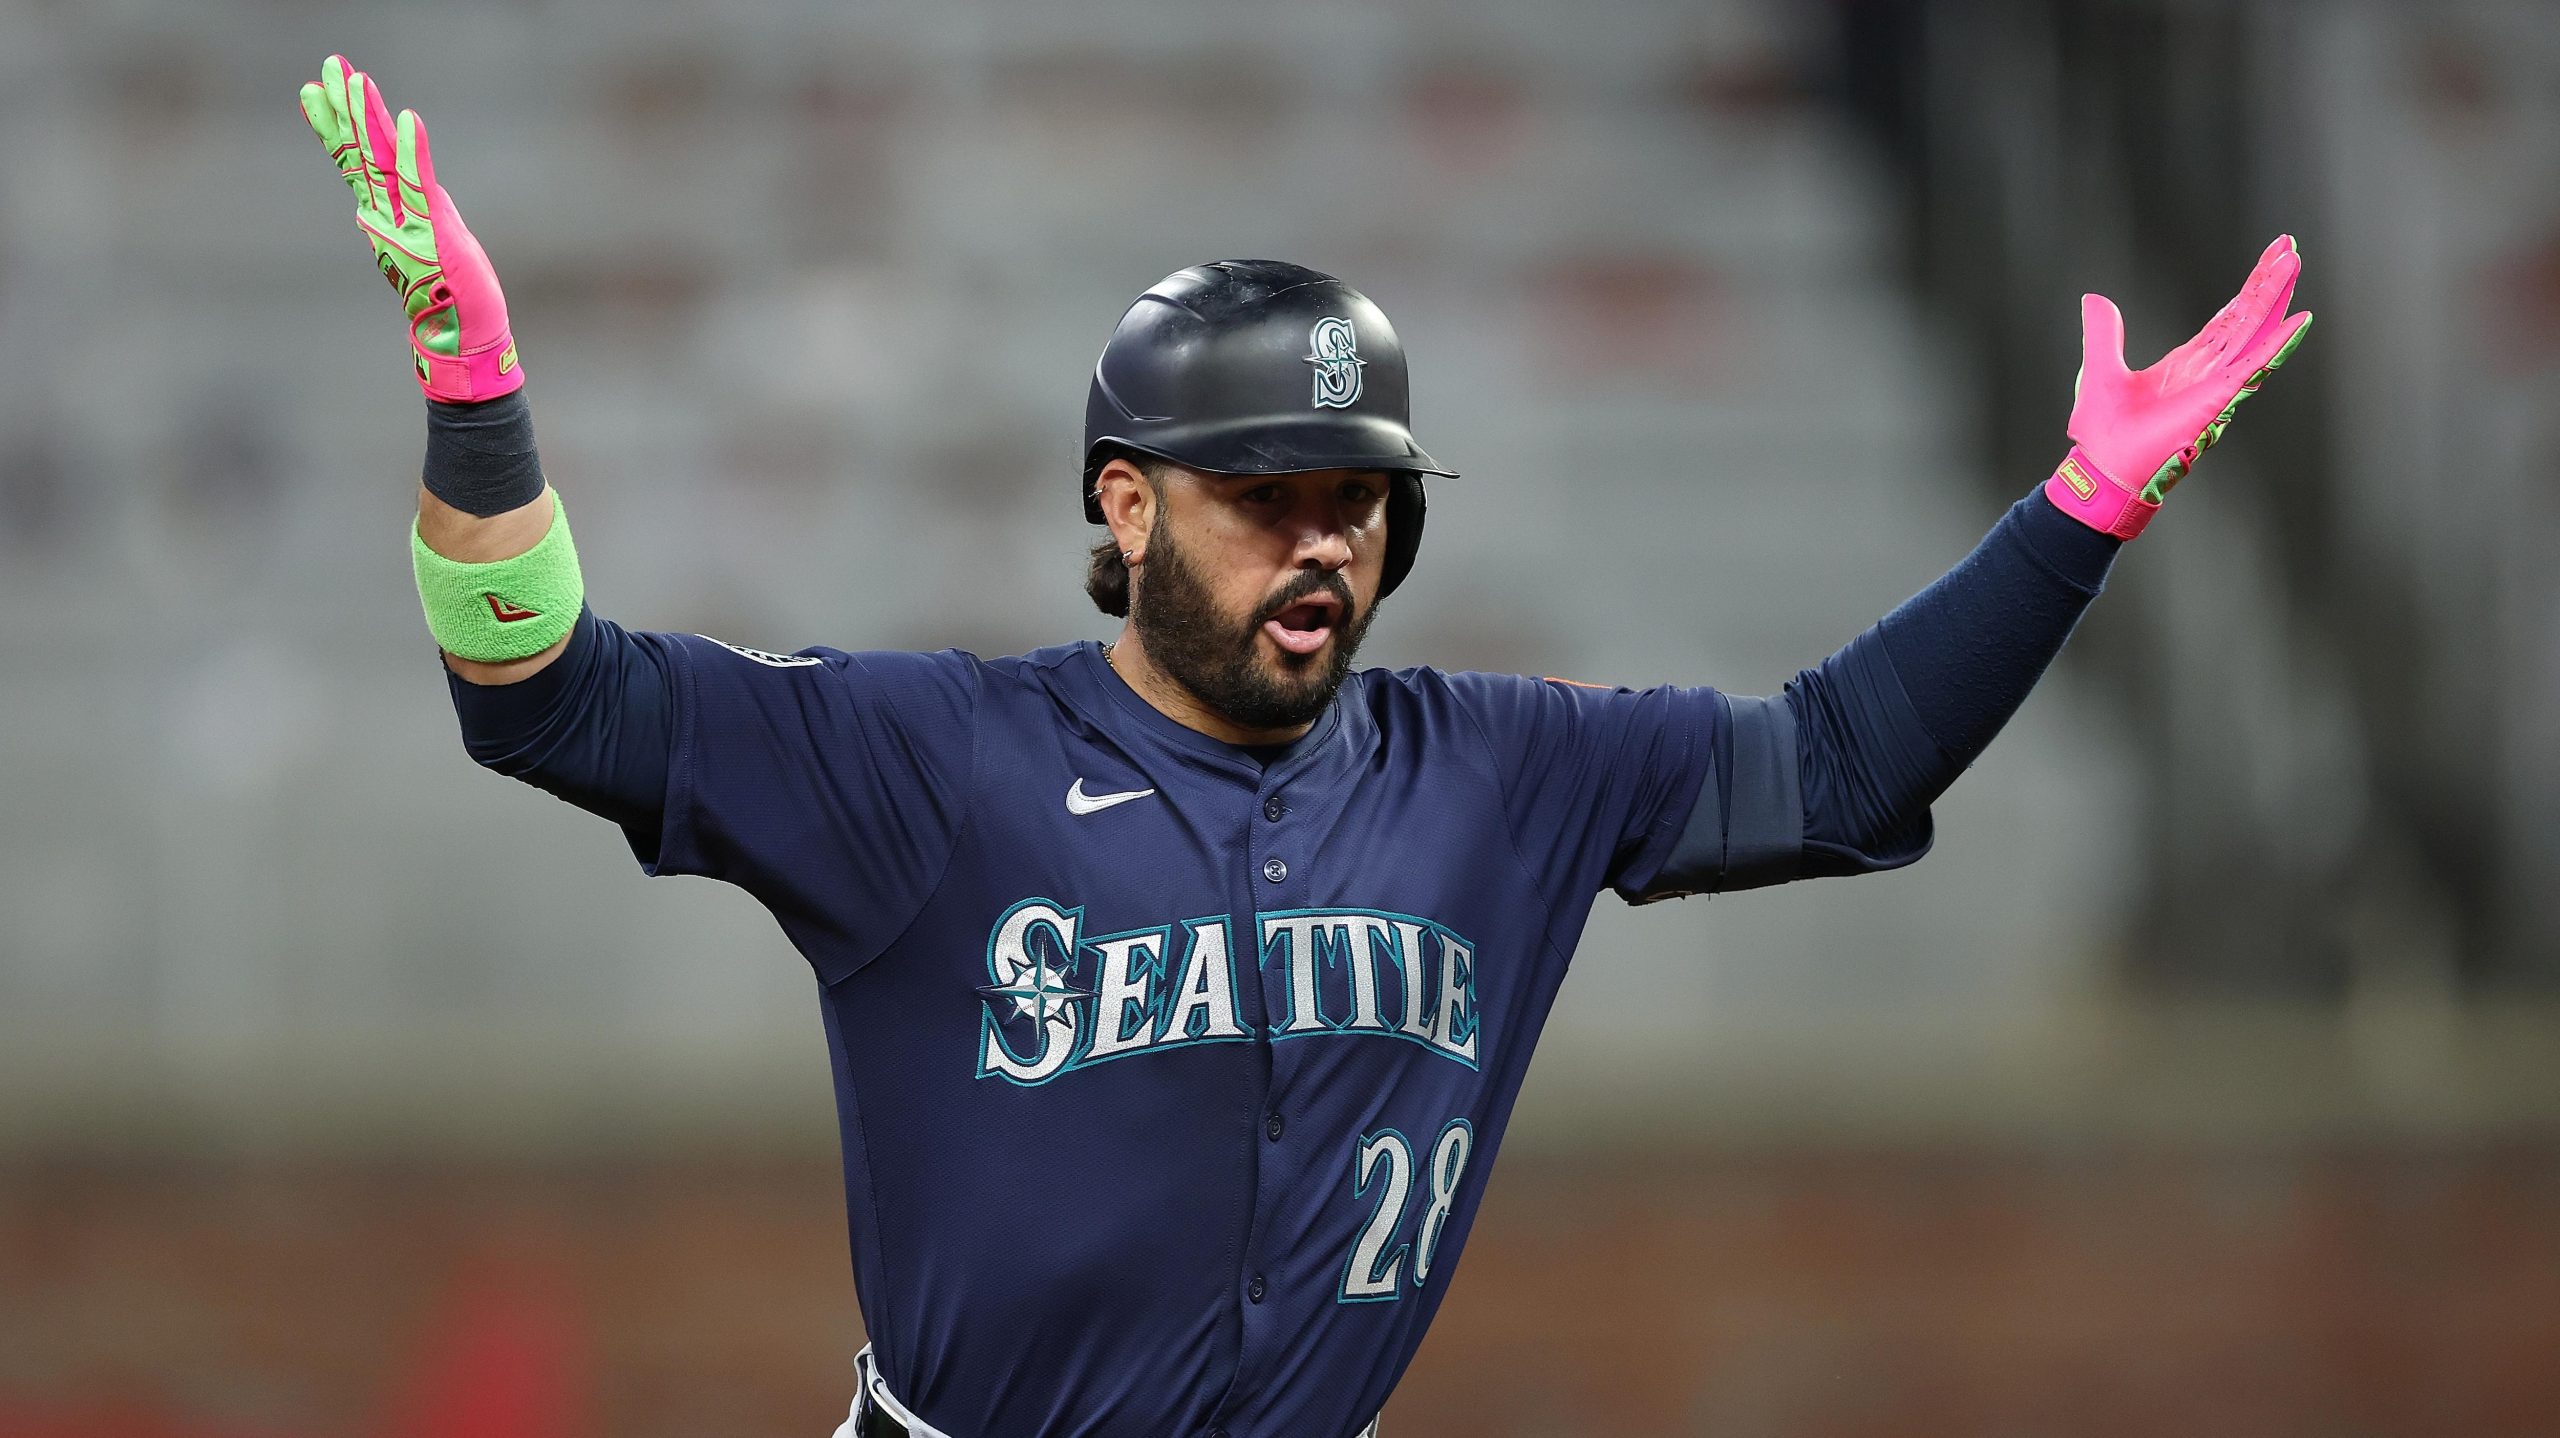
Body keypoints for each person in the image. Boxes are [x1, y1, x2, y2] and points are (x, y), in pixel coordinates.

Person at [300, 54, 2311, 1438]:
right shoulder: (930, 757)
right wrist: (476, 400)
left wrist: (2076, 513)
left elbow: (1844, 761)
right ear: (1121, 503)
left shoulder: (1500, 772)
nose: (1323, 533)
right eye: (1262, 487)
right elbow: (543, 689)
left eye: (1356, 495)